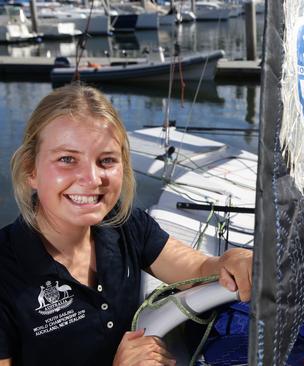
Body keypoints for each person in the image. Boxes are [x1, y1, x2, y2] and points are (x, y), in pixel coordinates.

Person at [0, 84, 253, 366]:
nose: (92, 178)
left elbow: (196, 270)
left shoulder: (124, 224)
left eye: (106, 160)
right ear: (30, 171)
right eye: (67, 159)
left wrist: (232, 260)